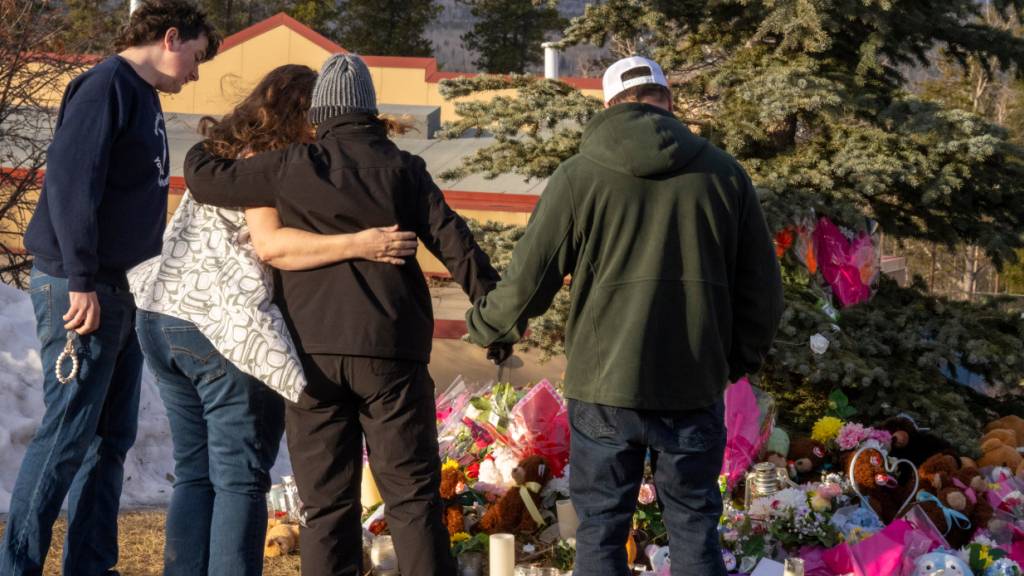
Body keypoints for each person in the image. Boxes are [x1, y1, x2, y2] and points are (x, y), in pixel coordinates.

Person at [184, 53, 501, 576]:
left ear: (321, 113)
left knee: (325, 507)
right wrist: (496, 316)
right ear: (370, 111)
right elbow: (457, 246)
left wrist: (223, 133)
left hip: (313, 356)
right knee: (413, 499)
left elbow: (204, 179)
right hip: (392, 355)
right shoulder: (404, 169)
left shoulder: (290, 166)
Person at [465, 56, 784, 576]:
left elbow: (528, 283)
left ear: (609, 106)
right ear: (668, 102)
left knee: (601, 530)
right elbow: (763, 295)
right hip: (691, 386)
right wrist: (733, 362)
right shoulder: (725, 175)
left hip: (604, 389)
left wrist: (487, 326)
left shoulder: (579, 177)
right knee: (693, 526)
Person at [127, 63, 418, 576]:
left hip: (161, 314)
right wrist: (362, 242)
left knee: (196, 473)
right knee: (239, 476)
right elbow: (272, 245)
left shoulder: (223, 154)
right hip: (221, 325)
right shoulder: (267, 161)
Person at [0, 2, 218, 574]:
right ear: (171, 38)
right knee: (68, 432)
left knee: (109, 438)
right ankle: (16, 565)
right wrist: (81, 281)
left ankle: (91, 565)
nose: (195, 73)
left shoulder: (143, 96)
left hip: (124, 289)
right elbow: (73, 184)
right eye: (196, 57)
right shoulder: (105, 87)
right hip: (83, 288)